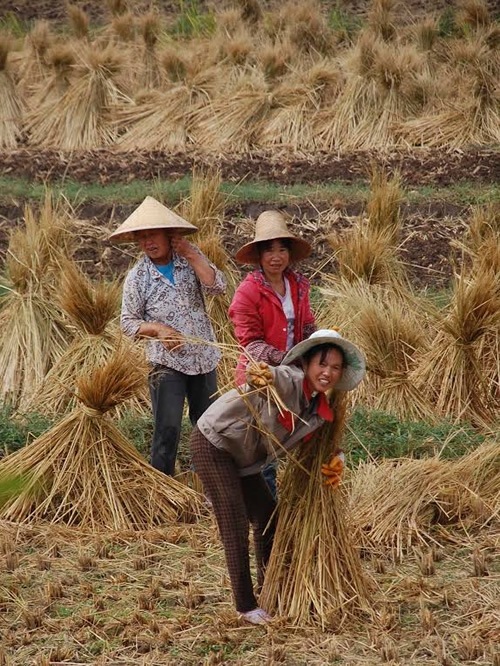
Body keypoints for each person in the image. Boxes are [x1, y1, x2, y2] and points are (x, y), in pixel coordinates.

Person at [190, 329, 366, 625]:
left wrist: (337, 458)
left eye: (335, 368)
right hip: (214, 442)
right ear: (307, 364)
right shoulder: (290, 380)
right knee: (233, 521)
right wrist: (263, 374)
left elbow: (322, 447)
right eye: (322, 364)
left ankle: (268, 588)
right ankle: (245, 606)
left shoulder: (317, 411)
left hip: (244, 459)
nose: (327, 373)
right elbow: (272, 376)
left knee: (268, 515)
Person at [109, 196, 227, 476]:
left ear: (168, 234)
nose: (148, 242)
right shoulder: (138, 277)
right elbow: (128, 323)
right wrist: (158, 329)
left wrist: (191, 254)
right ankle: (163, 489)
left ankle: (209, 487)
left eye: (153, 235)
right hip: (167, 364)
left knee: (208, 426)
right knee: (167, 428)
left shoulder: (189, 260)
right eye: (142, 237)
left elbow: (217, 287)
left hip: (204, 359)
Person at [228, 210, 317, 498]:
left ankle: (297, 496)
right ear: (259, 255)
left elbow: (306, 324)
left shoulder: (299, 286)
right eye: (269, 250)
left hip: (294, 374)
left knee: (296, 435)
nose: (276, 256)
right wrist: (286, 359)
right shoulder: (248, 292)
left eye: (282, 249)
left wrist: (318, 346)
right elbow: (249, 341)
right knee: (263, 440)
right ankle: (266, 504)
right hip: (261, 377)